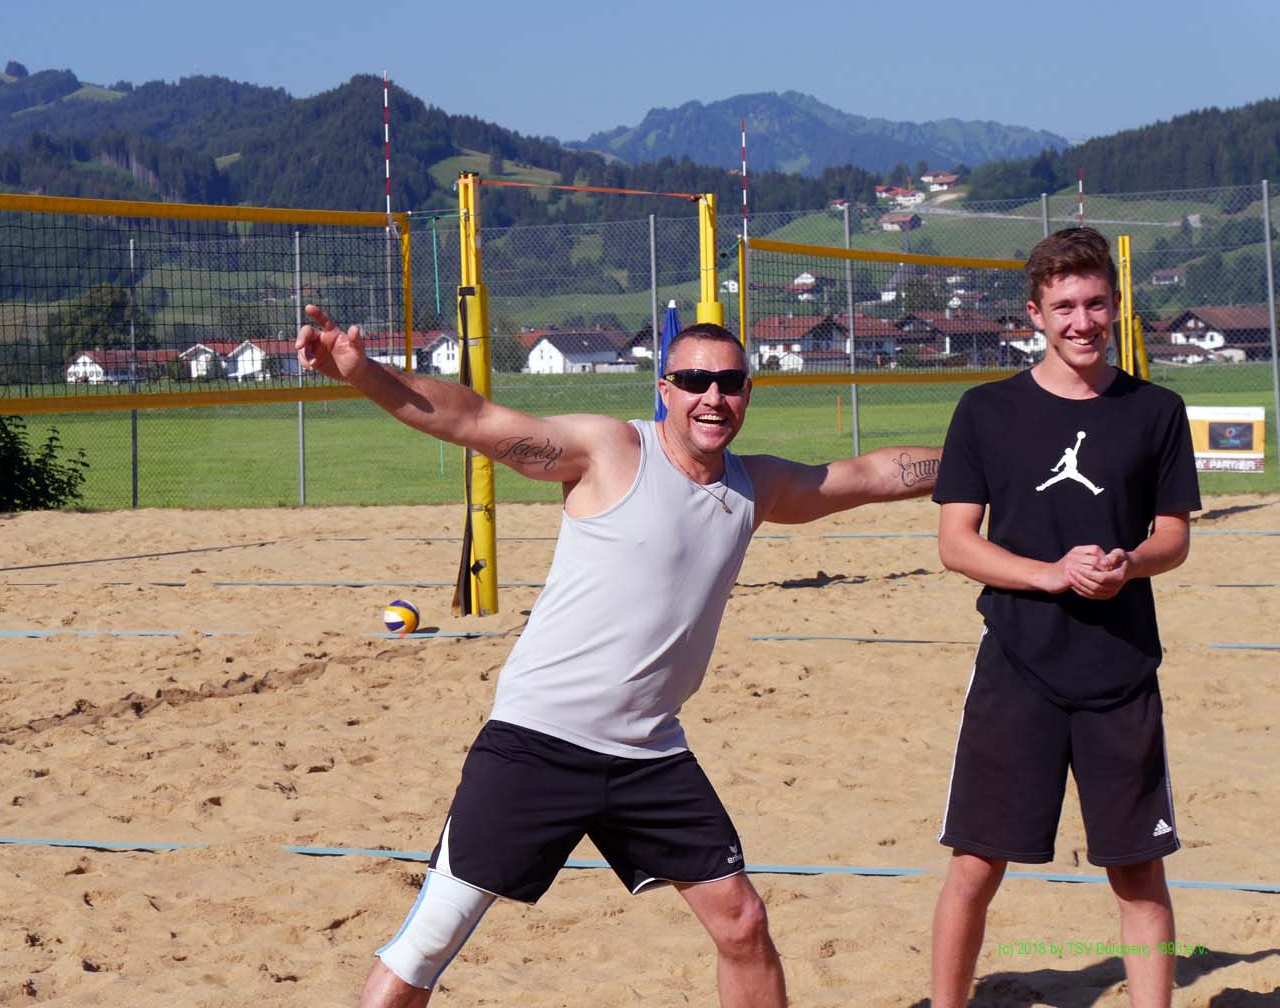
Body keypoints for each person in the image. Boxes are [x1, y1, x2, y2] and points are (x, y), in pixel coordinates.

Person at [296, 305, 941, 1008]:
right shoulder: (610, 451)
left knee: (742, 922)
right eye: (694, 381)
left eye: (730, 383)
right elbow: (473, 418)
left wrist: (987, 456)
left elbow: (872, 474)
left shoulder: (753, 487)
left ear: (748, 393)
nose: (713, 397)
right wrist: (364, 374)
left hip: (648, 752)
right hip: (539, 741)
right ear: (665, 389)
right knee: (427, 944)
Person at [928, 227, 1201, 1008]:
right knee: (975, 864)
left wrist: (1128, 565)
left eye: (1095, 304)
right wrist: (1049, 575)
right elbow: (956, 543)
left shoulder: (1156, 410)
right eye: (1065, 307)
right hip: (1018, 666)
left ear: (1115, 306)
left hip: (1121, 668)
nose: (1083, 322)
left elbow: (1173, 538)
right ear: (1035, 314)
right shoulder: (986, 410)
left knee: (1138, 869)